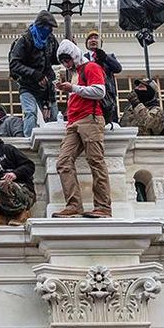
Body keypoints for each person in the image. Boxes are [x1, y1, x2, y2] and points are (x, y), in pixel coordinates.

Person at [51, 39, 111, 218]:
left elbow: (100, 91)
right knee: (63, 162)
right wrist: (70, 89)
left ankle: (103, 207)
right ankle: (74, 205)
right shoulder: (76, 72)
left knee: (96, 161)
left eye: (67, 60)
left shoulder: (91, 67)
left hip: (90, 119)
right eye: (62, 61)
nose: (65, 64)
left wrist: (73, 88)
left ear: (74, 55)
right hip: (74, 122)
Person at [8, 10, 60, 135]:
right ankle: (28, 140)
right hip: (27, 85)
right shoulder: (24, 40)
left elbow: (56, 58)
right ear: (40, 26)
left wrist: (68, 48)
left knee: (53, 115)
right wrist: (34, 74)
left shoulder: (50, 40)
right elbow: (14, 64)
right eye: (48, 27)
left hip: (46, 87)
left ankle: (55, 140)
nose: (49, 31)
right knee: (30, 112)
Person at [83, 30, 123, 123]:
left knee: (108, 122)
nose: (93, 40)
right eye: (90, 38)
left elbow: (118, 68)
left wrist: (105, 57)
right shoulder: (83, 58)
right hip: (90, 94)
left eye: (96, 38)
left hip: (107, 96)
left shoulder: (109, 56)